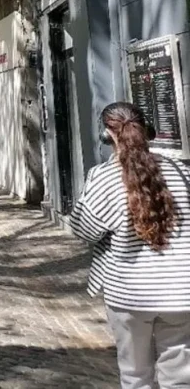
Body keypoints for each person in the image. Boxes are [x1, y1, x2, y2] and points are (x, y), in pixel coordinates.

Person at [70, 102, 190, 389]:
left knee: (136, 376)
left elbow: (83, 230)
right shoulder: (178, 170)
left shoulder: (104, 177)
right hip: (181, 291)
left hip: (129, 294)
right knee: (181, 378)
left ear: (108, 135)